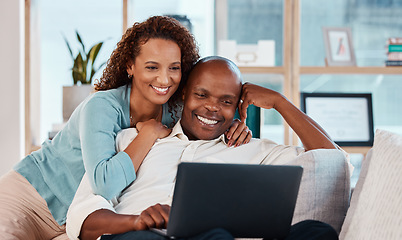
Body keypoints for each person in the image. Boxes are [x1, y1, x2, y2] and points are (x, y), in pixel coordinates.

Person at [0, 17, 250, 240]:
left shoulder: (173, 108)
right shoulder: (102, 106)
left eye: (174, 68)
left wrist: (237, 124)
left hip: (74, 219)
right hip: (30, 199)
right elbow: (105, 184)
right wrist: (149, 134)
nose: (165, 79)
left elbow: (208, 113)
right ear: (130, 66)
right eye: (152, 67)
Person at [66, 56, 345, 240]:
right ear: (184, 92)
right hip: (142, 235)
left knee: (316, 232)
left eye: (226, 101)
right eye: (202, 95)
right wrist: (136, 220)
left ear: (238, 106)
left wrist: (281, 103)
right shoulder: (133, 140)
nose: (212, 107)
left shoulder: (254, 149)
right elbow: (83, 217)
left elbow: (332, 161)